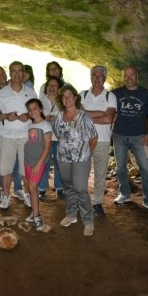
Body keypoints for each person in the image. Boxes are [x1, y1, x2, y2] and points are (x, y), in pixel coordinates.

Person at [112, 66, 148, 213]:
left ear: (136, 76)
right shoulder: (116, 93)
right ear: (123, 77)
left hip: (139, 136)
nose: (129, 78)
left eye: (132, 75)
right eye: (126, 75)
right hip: (119, 135)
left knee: (145, 168)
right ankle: (125, 194)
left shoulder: (145, 93)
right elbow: (107, 110)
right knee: (120, 167)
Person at [0, 61, 38, 209]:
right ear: (10, 74)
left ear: (23, 74)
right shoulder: (1, 94)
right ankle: (5, 196)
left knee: (26, 169)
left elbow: (37, 113)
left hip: (26, 137)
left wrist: (28, 116)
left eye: (20, 71)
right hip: (7, 137)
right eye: (14, 71)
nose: (17, 74)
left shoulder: (31, 92)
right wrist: (5, 116)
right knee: (6, 169)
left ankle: (27, 195)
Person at [53, 84, 98, 236]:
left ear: (75, 98)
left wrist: (85, 154)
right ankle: (71, 214)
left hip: (81, 159)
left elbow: (93, 138)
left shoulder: (84, 117)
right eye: (64, 96)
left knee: (80, 189)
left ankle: (88, 220)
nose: (67, 99)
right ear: (61, 100)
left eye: (70, 96)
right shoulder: (58, 118)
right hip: (63, 158)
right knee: (68, 187)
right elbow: (59, 136)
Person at [80, 65, 117, 218]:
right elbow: (78, 116)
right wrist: (99, 114)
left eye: (100, 76)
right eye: (94, 75)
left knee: (100, 174)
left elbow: (108, 118)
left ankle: (97, 203)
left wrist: (87, 115)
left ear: (105, 78)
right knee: (81, 173)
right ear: (90, 77)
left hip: (102, 140)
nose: (97, 78)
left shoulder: (110, 97)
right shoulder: (82, 95)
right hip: (83, 140)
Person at [0, 65, 23, 199]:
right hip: (2, 132)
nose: (1, 76)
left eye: (2, 73)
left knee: (19, 162)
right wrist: (7, 116)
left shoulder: (16, 87)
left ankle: (18, 188)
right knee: (4, 163)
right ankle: (3, 191)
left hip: (21, 133)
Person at [24, 99, 52, 231]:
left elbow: (47, 148)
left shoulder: (46, 125)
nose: (32, 111)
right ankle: (34, 213)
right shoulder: (30, 125)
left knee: (32, 186)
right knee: (31, 189)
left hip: (39, 163)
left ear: (40, 109)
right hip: (29, 161)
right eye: (29, 109)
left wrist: (37, 164)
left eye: (35, 108)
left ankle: (36, 217)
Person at [38, 76, 64, 200]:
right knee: (44, 163)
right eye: (50, 85)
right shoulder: (40, 101)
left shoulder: (63, 101)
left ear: (59, 88)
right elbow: (34, 117)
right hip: (45, 137)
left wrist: (57, 118)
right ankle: (41, 189)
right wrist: (44, 119)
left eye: (55, 86)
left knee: (60, 163)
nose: (52, 88)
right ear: (46, 87)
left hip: (59, 137)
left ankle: (60, 188)